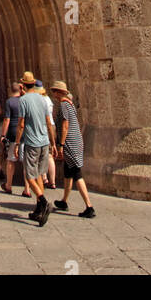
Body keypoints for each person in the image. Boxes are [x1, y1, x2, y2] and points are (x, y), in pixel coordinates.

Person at [15, 70, 56, 226]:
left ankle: (43, 201)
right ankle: (39, 209)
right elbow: (48, 121)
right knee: (39, 174)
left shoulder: (23, 100)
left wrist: (17, 143)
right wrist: (53, 142)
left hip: (32, 142)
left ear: (23, 85)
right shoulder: (43, 99)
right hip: (44, 141)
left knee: (30, 176)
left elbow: (21, 124)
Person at [50, 82, 95, 217]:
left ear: (59, 92)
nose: (53, 93)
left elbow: (65, 125)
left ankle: (89, 206)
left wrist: (61, 145)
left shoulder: (64, 105)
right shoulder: (70, 104)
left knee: (76, 173)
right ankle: (64, 201)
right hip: (76, 140)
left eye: (55, 91)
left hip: (70, 142)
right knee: (68, 172)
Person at [1, 81, 23, 193]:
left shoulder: (9, 102)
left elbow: (7, 119)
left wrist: (3, 135)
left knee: (10, 160)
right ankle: (28, 189)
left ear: (10, 90)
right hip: (24, 133)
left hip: (13, 133)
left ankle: (9, 185)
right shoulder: (25, 100)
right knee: (26, 162)